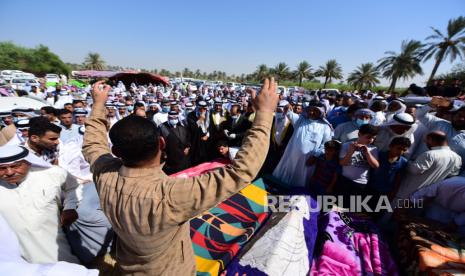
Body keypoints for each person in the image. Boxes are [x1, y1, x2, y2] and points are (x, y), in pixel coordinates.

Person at [82, 79, 278, 275]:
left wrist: (98, 105)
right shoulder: (169, 195)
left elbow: (93, 145)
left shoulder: (104, 175)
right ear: (161, 143)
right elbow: (241, 172)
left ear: (115, 151)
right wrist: (265, 114)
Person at [0, 145, 79, 263]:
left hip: (54, 244)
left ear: (29, 162)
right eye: (2, 168)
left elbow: (74, 187)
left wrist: (70, 207)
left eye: (15, 166)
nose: (10, 172)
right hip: (16, 252)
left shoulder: (53, 174)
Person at [272, 102, 333, 188]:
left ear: (321, 112)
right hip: (291, 157)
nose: (312, 112)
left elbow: (325, 144)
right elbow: (289, 113)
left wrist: (315, 156)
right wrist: (287, 107)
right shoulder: (300, 120)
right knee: (283, 181)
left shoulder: (325, 127)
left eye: (315, 110)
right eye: (310, 110)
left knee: (300, 183)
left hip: (308, 160)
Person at [393, 131, 462, 203]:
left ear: (431, 140)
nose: (426, 144)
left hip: (407, 193)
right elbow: (451, 177)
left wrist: (406, 161)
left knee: (391, 212)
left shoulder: (430, 154)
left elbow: (415, 170)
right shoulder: (457, 158)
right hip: (424, 197)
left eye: (426, 141)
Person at [414, 96, 465, 174]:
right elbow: (419, 114)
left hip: (440, 179)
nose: (462, 119)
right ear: (453, 115)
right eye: (460, 115)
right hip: (415, 169)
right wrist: (431, 105)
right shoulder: (439, 123)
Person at [367, 137, 410, 212]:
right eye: (399, 148)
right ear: (390, 146)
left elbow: (398, 180)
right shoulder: (379, 156)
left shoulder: (403, 162)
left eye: (404, 150)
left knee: (375, 216)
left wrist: (391, 196)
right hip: (370, 189)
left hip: (385, 194)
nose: (401, 152)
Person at [337, 124, 379, 199]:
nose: (371, 140)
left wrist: (367, 153)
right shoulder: (346, 145)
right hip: (344, 180)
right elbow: (342, 163)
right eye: (368, 137)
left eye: (373, 138)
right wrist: (350, 152)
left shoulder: (373, 149)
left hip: (360, 183)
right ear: (359, 134)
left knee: (352, 207)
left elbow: (375, 166)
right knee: (339, 204)